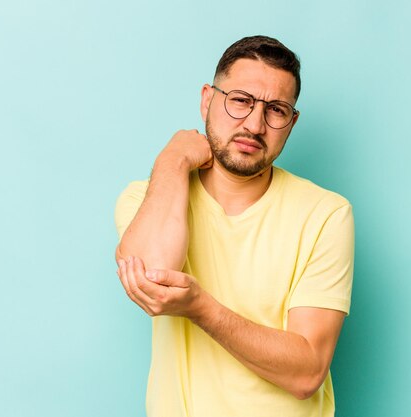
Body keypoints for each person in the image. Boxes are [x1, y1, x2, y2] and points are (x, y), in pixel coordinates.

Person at [114, 35, 354, 417]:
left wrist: (202, 308)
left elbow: (307, 373)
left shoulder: (325, 214)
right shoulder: (146, 198)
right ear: (207, 99)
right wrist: (174, 159)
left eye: (275, 109)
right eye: (240, 100)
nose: (255, 125)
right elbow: (155, 280)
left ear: (291, 122)